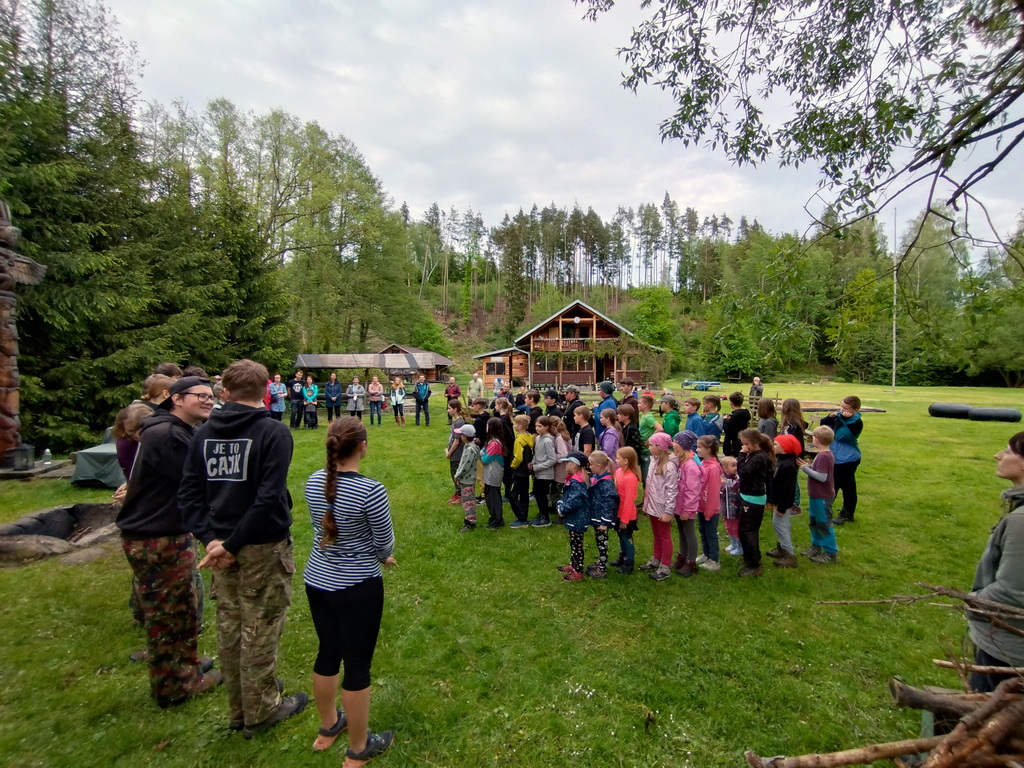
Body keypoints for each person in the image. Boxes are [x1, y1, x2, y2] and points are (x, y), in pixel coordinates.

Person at [179, 359, 306, 738]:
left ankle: (241, 707)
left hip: (220, 546)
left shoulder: (202, 434)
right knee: (260, 625)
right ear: (266, 390)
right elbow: (268, 497)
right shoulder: (273, 433)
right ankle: (260, 710)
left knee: (231, 625)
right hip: (260, 545)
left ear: (225, 392)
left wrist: (212, 541)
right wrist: (228, 544)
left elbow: (188, 494)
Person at [117, 376, 221, 708]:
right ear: (176, 399)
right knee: (171, 614)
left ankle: (184, 665)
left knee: (178, 608)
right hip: (158, 536)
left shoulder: (169, 429)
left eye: (210, 395)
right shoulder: (168, 435)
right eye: (199, 396)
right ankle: (176, 686)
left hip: (159, 532)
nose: (208, 400)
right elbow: (198, 483)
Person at [302, 417, 397, 760]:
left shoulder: (313, 480)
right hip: (357, 585)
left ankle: (329, 725)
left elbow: (324, 528)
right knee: (357, 665)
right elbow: (384, 542)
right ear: (363, 446)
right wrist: (384, 557)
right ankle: (358, 748)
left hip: (317, 580)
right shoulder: (371, 490)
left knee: (328, 651)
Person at [967, 432, 1024, 692]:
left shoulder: (1020, 522)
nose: (998, 455)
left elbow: (1012, 592)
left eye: (1008, 451)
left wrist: (973, 602)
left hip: (1008, 646)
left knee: (988, 708)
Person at [640, 432, 679, 582]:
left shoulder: (669, 466)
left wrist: (668, 512)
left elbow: (672, 490)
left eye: (651, 445)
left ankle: (665, 566)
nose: (649, 447)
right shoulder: (654, 461)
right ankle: (656, 558)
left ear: (660, 447)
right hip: (653, 505)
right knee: (656, 534)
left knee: (664, 535)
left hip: (663, 508)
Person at [736, 428, 775, 578]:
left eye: (746, 444)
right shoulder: (755, 455)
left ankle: (753, 565)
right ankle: (751, 558)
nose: (744, 447)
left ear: (755, 442)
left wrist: (741, 455)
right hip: (748, 495)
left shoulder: (760, 457)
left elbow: (743, 472)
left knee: (748, 531)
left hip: (753, 499)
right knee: (744, 530)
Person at [798, 426, 839, 564]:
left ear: (817, 440)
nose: (812, 438)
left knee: (824, 523)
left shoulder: (823, 456)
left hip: (822, 497)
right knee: (815, 522)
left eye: (813, 436)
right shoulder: (823, 454)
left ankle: (830, 552)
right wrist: (810, 466)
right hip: (816, 495)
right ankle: (816, 546)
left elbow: (822, 477)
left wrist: (805, 468)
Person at [820, 395, 863, 525]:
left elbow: (839, 435)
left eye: (846, 408)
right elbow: (824, 427)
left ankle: (847, 514)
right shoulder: (839, 416)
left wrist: (841, 419)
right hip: (836, 456)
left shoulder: (857, 422)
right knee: (833, 483)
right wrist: (830, 417)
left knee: (847, 487)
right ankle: (824, 508)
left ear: (856, 409)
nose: (842, 410)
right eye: (841, 406)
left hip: (848, 459)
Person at [555, 451, 592, 582]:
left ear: (574, 465)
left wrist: (562, 509)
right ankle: (573, 564)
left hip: (578, 518)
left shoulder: (577, 481)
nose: (565, 465)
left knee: (577, 545)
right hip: (575, 517)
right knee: (574, 542)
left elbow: (574, 500)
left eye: (568, 463)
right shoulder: (575, 478)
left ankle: (578, 571)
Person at [767, 434, 801, 569]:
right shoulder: (781, 460)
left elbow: (788, 489)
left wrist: (782, 506)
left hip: (783, 503)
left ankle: (789, 554)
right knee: (782, 524)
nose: (773, 446)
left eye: (776, 444)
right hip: (779, 501)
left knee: (779, 525)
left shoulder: (788, 466)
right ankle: (782, 548)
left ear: (785, 447)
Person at [671, 431, 702, 578]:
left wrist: (687, 510)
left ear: (682, 445)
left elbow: (692, 490)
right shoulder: (681, 462)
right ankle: (682, 556)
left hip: (686, 507)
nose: (673, 444)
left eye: (676, 442)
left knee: (689, 533)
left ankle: (691, 562)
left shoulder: (690, 467)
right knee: (682, 532)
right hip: (679, 504)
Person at [584, 450, 618, 579]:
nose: (590, 467)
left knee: (602, 542)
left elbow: (609, 504)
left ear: (598, 466)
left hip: (601, 519)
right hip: (596, 516)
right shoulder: (597, 478)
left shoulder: (606, 483)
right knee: (599, 542)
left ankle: (602, 568)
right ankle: (600, 562)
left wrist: (604, 522)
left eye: (591, 465)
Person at [695, 435, 723, 572]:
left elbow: (713, 492)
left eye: (700, 447)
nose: (697, 449)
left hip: (710, 509)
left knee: (711, 534)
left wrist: (709, 511)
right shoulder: (703, 464)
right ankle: (706, 554)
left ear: (708, 449)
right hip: (701, 506)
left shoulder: (713, 468)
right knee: (703, 532)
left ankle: (714, 559)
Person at [611, 446, 641, 574]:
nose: (616, 460)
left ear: (626, 461)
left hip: (627, 515)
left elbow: (629, 500)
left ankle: (629, 562)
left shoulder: (631, 478)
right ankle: (622, 557)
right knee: (621, 536)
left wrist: (624, 520)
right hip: (618, 511)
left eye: (618, 458)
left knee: (626, 538)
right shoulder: (618, 472)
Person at [528, 416, 557, 528]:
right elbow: (537, 454)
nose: (537, 428)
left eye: (540, 426)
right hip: (538, 472)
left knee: (542, 495)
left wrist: (537, 467)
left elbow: (552, 459)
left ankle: (545, 517)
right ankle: (542, 514)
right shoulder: (538, 438)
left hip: (546, 474)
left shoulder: (548, 440)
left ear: (547, 427)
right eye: (536, 426)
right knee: (537, 493)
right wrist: (532, 463)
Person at [508, 414, 535, 529]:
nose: (514, 425)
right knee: (524, 494)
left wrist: (512, 466)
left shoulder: (519, 440)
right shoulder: (529, 437)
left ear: (519, 426)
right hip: (526, 471)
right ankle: (524, 516)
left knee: (512, 494)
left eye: (515, 423)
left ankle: (521, 518)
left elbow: (518, 457)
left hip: (518, 471)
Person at [454, 425, 481, 532]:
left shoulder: (471, 450)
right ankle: (469, 519)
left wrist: (457, 475)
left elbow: (466, 465)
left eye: (461, 434)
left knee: (468, 501)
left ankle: (471, 522)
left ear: (464, 436)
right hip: (465, 478)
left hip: (468, 479)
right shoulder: (468, 446)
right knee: (466, 500)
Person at [480, 417, 506, 529]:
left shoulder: (494, 444)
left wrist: (483, 453)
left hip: (493, 474)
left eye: (487, 425)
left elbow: (485, 459)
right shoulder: (491, 441)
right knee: (489, 497)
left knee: (493, 497)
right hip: (489, 473)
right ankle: (494, 517)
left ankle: (497, 520)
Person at [445, 400, 467, 504]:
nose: (448, 410)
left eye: (449, 408)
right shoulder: (455, 421)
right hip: (454, 453)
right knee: (453, 473)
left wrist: (449, 453)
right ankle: (457, 493)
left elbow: (457, 441)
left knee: (457, 474)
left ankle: (461, 496)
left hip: (457, 454)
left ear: (455, 409)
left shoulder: (459, 422)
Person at [721, 456, 742, 556]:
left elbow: (733, 487)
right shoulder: (722, 478)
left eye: (736, 465)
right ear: (725, 468)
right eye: (733, 466)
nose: (736, 468)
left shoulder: (737, 479)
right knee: (728, 526)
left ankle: (739, 546)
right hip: (725, 509)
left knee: (735, 527)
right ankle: (733, 543)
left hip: (734, 509)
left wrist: (725, 484)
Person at [637, 394, 661, 480]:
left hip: (647, 450)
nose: (638, 405)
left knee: (646, 474)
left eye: (640, 403)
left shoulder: (648, 417)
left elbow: (659, 428)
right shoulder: (644, 416)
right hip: (643, 448)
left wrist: (650, 440)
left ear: (646, 405)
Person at [722, 391, 751, 457]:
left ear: (731, 403)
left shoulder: (735, 416)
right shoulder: (745, 414)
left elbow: (728, 430)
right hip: (742, 440)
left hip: (733, 443)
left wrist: (725, 420)